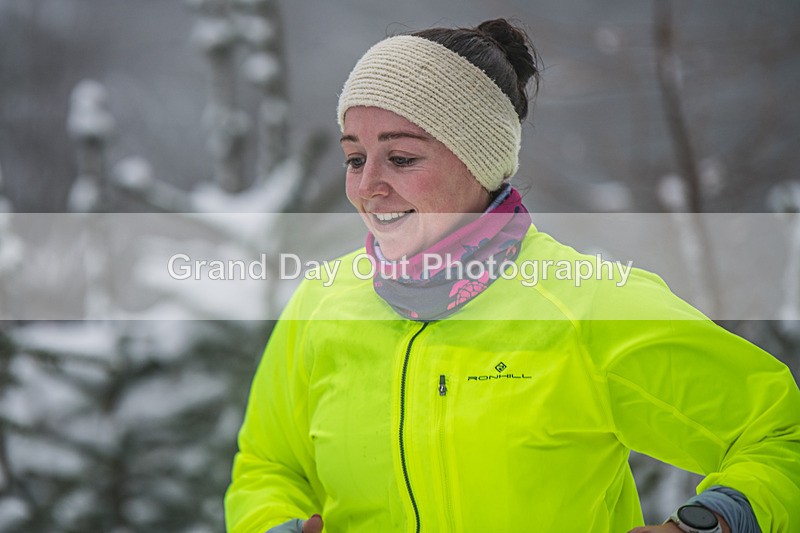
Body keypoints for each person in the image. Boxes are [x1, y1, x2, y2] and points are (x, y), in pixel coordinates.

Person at [225, 19, 800, 533]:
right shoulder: (322, 303)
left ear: (479, 161)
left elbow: (781, 437)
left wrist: (713, 522)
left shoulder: (586, 305)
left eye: (400, 157)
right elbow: (269, 466)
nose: (366, 185)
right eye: (355, 157)